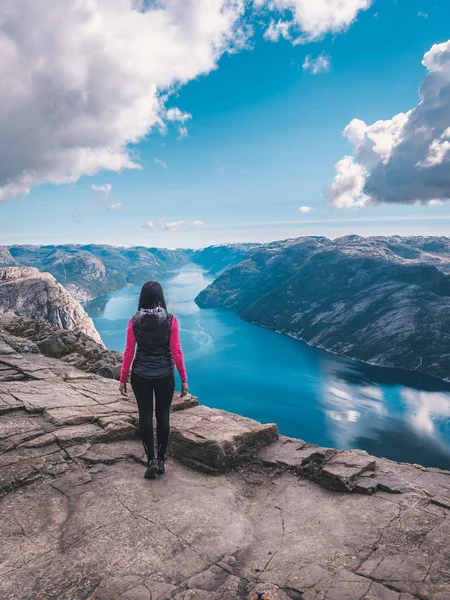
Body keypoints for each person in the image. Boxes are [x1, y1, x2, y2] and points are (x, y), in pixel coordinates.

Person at [119, 280, 188, 479]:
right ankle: (161, 460)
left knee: (145, 415)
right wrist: (183, 378)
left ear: (142, 297)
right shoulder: (171, 320)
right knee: (163, 415)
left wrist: (123, 378)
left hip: (140, 375)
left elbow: (129, 352)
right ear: (161, 297)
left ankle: (150, 460)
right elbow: (176, 350)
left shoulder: (134, 321)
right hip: (165, 375)